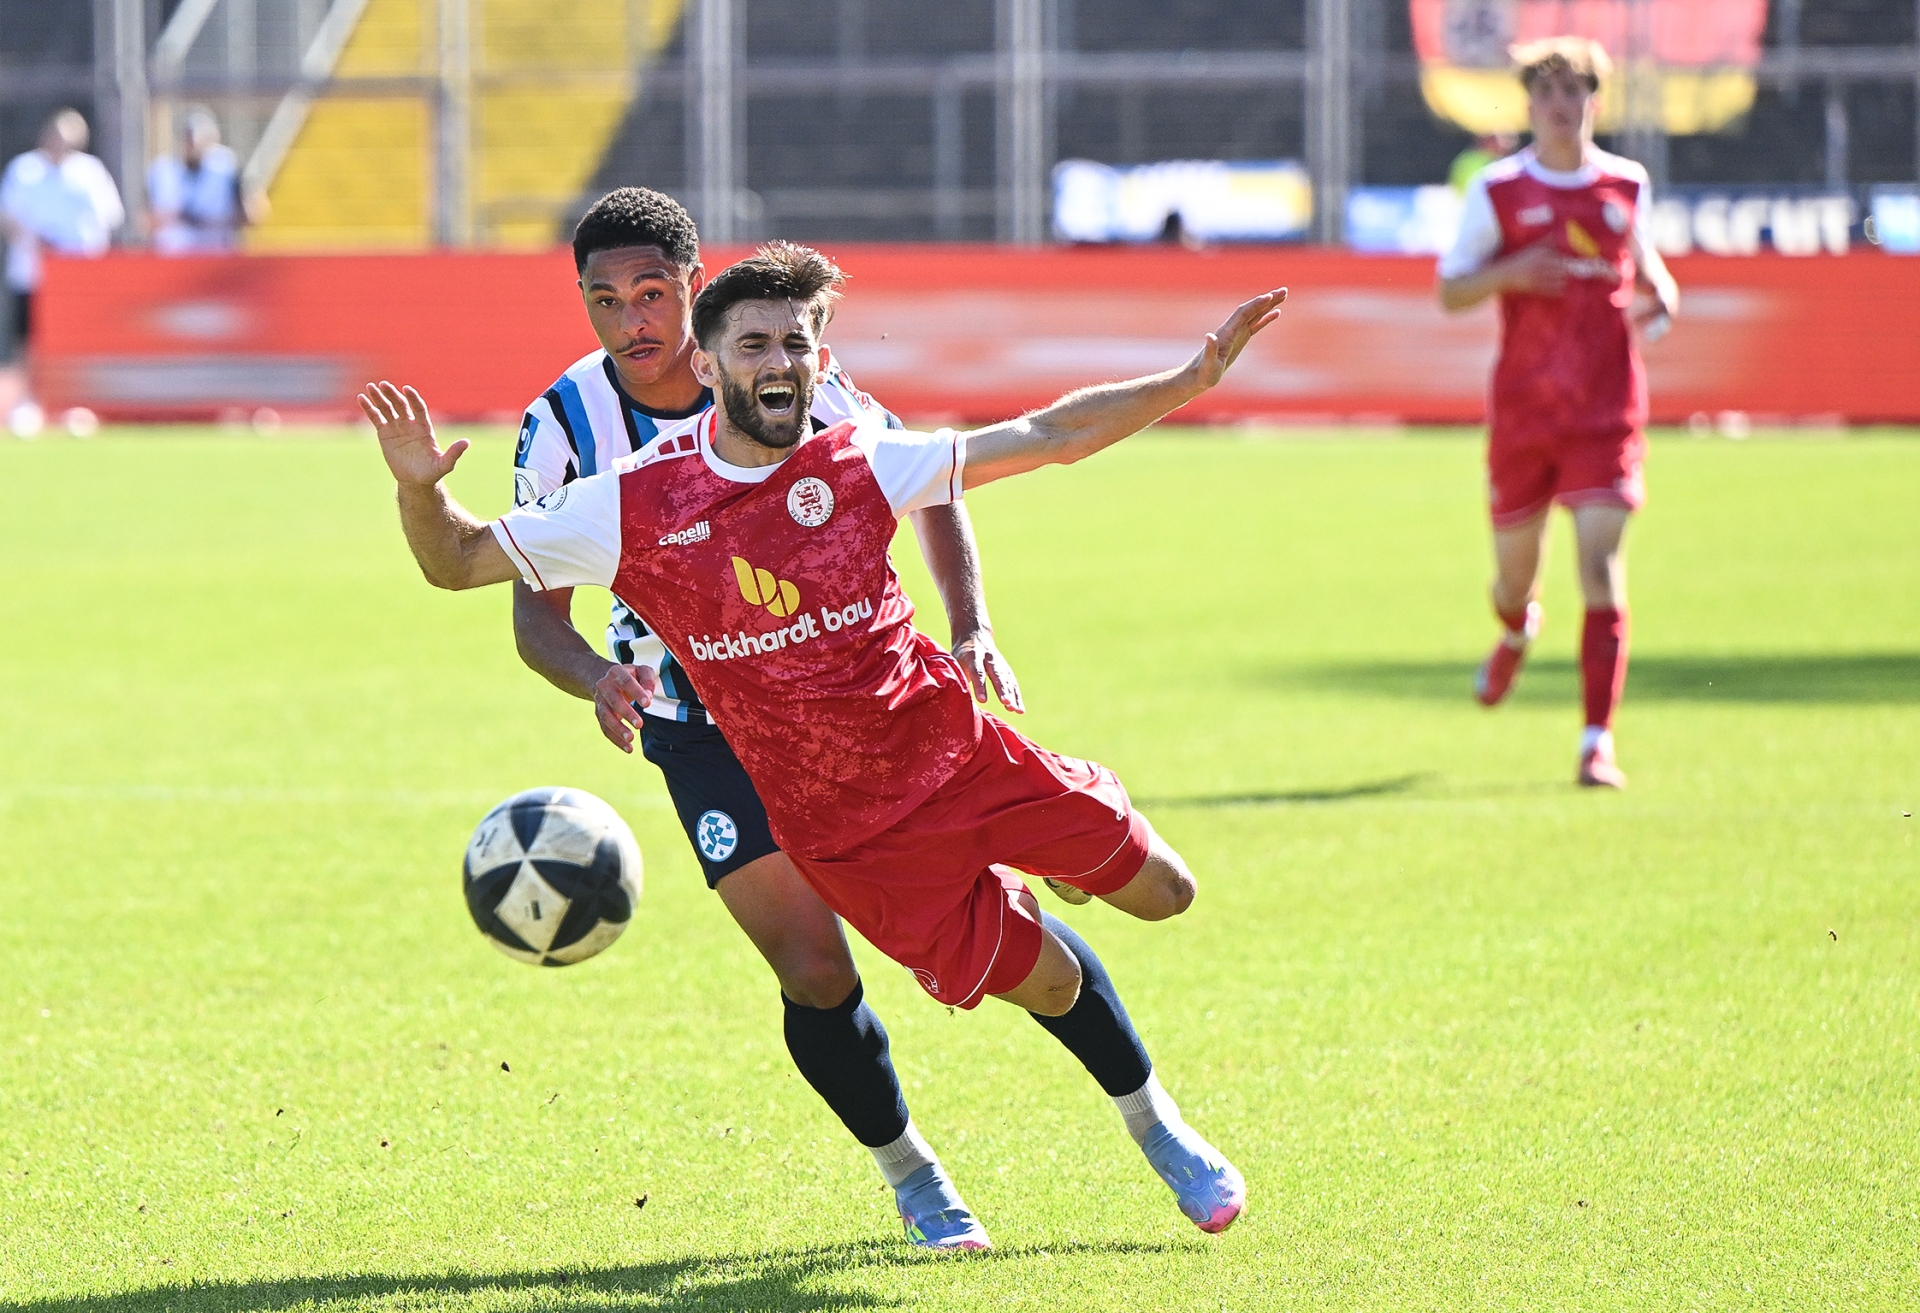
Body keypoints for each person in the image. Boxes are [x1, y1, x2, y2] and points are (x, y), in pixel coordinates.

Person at [364, 243, 1284, 1242]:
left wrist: (1189, 381)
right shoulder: (627, 495)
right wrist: (419, 490)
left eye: (793, 344)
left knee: (1169, 892)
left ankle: (1051, 870)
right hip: (815, 802)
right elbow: (462, 562)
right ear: (709, 362)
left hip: (952, 752)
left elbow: (1047, 435)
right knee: (921, 974)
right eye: (753, 345)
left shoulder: (855, 451)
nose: (777, 362)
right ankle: (1033, 1153)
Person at [508, 187, 1024, 1250]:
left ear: (695, 288)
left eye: (653, 293)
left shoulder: (787, 381)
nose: (632, 321)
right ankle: (913, 1174)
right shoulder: (561, 425)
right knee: (815, 970)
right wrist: (595, 676)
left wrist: (971, 625)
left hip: (844, 703)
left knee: (979, 921)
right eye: (605, 300)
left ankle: (1047, 853)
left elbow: (933, 483)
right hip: (699, 728)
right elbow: (532, 613)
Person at [1435, 37, 1679, 789]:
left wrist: (1663, 293)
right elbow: (1451, 290)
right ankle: (1517, 628)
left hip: (1605, 410)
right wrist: (1512, 271)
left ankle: (1595, 741)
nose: (1561, 106)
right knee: (1514, 579)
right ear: (1529, 105)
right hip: (1525, 414)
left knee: (1600, 567)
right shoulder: (1500, 190)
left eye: (1574, 91)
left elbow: (1647, 264)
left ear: (1594, 101)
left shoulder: (1626, 183)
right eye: (1546, 93)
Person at [1, 109, 124, 435]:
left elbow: (110, 217)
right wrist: (37, 240)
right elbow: (7, 216)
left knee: (76, 340)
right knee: (29, 339)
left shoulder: (90, 172)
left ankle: (75, 402)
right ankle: (28, 401)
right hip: (32, 271)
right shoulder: (24, 170)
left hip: (76, 276)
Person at [148, 107, 261, 254]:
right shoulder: (162, 171)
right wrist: (175, 217)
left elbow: (254, 213)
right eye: (188, 138)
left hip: (214, 256)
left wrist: (213, 220)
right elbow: (145, 219)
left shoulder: (227, 170)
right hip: (172, 256)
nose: (192, 144)